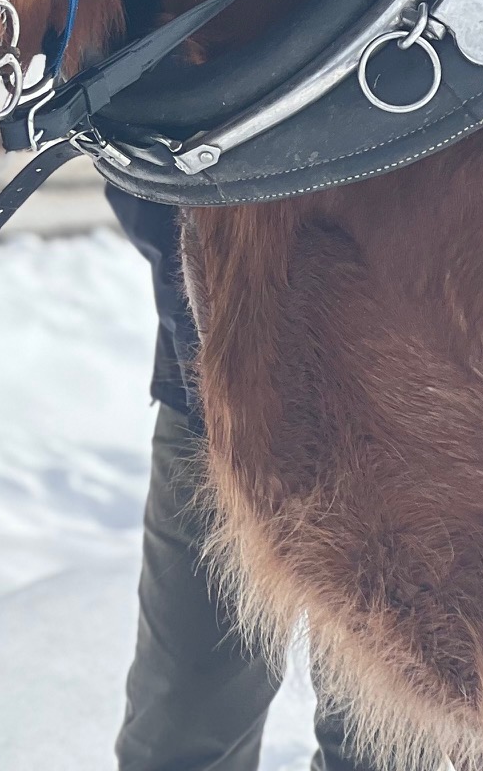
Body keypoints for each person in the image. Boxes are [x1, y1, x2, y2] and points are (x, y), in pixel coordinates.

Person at [109, 193, 379, 771]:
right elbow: (140, 176)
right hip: (219, 401)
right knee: (181, 723)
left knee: (384, 738)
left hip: (410, 416)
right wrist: (213, 315)